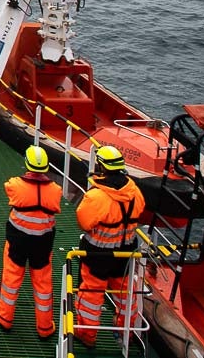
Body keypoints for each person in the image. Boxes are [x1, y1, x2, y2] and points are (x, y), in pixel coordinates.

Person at [74, 145, 147, 348]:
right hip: (125, 254)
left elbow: (84, 222)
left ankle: (87, 335)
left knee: (90, 295)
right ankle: (127, 331)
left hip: (97, 255)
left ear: (101, 167)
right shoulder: (135, 193)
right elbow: (140, 211)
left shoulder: (96, 197)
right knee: (126, 294)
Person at [0, 146, 62, 338]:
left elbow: (9, 188)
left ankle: (5, 318)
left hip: (18, 241)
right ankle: (45, 327)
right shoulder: (55, 190)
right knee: (43, 285)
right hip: (42, 244)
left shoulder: (15, 185)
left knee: (11, 279)